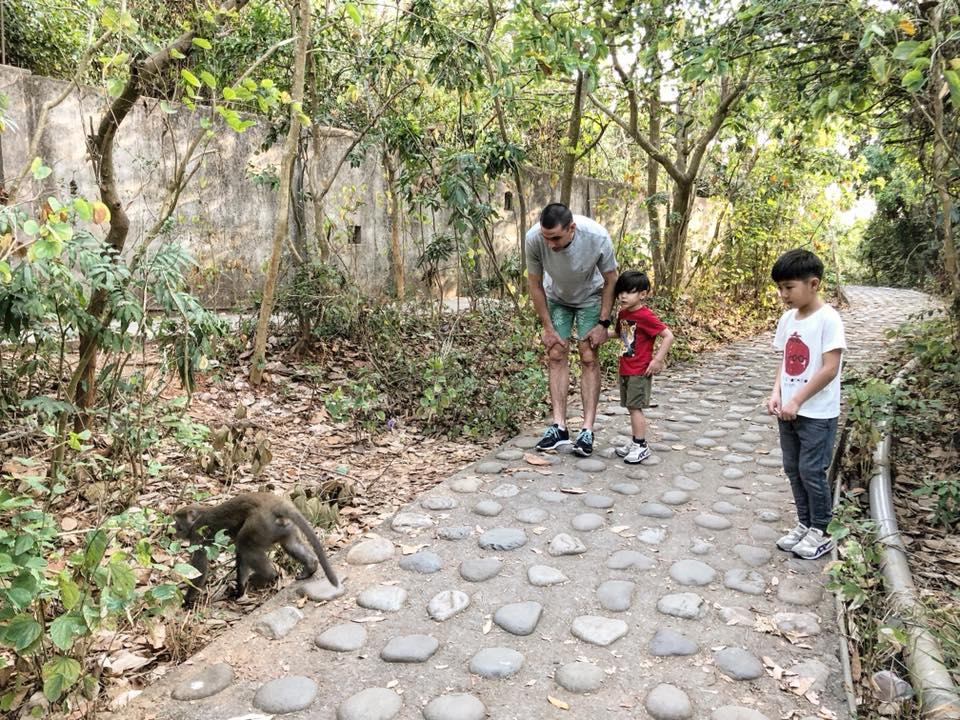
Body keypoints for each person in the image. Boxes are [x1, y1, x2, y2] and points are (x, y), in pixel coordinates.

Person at [766, 249, 846, 560]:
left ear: (813, 284)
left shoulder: (829, 319)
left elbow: (829, 368)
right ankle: (804, 523)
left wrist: (797, 398)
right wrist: (777, 393)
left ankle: (822, 529)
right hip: (788, 411)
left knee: (811, 470)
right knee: (792, 468)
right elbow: (785, 362)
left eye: (789, 287)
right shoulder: (788, 319)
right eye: (780, 288)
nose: (783, 294)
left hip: (817, 414)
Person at [526, 203, 618, 457]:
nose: (550, 244)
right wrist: (547, 326)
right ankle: (559, 427)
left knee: (588, 356)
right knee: (555, 353)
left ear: (572, 228)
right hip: (557, 297)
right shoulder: (535, 238)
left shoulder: (596, 236)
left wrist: (603, 324)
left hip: (590, 296)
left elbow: (612, 279)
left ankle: (587, 430)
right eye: (546, 238)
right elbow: (534, 284)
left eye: (556, 237)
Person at [608, 271, 674, 464]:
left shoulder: (646, 315)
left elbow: (668, 335)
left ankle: (641, 445)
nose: (623, 296)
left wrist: (658, 360)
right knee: (630, 406)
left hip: (640, 369)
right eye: (620, 292)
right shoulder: (623, 314)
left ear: (643, 294)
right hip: (626, 367)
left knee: (636, 408)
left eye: (629, 292)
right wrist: (602, 334)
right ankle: (635, 442)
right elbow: (621, 334)